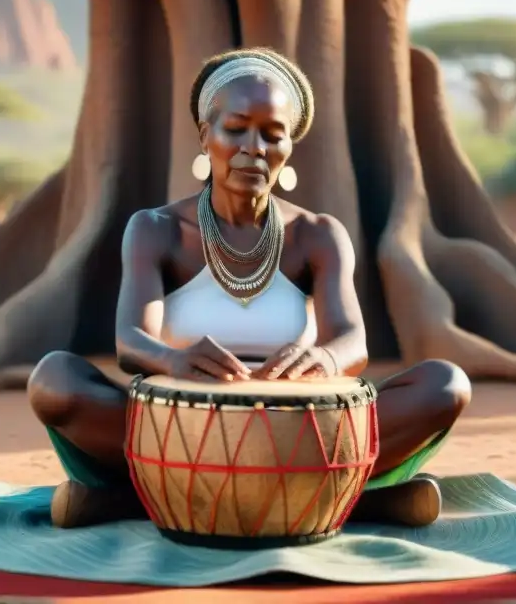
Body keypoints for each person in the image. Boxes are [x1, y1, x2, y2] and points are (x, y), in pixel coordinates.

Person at [28, 47, 472, 530]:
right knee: (56, 380)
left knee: (446, 385)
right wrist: (175, 361)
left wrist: (325, 360)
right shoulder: (156, 229)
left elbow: (352, 342)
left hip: (297, 429)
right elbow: (131, 344)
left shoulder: (317, 234)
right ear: (206, 136)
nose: (254, 147)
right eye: (236, 129)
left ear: (288, 150)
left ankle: (138, 505)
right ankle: (351, 506)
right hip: (181, 427)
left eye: (272, 135)